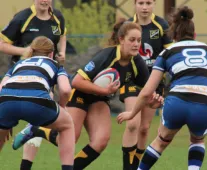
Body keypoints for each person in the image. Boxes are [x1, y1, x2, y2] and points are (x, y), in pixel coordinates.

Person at [13, 20, 161, 170]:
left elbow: (146, 91)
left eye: (139, 40)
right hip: (81, 94)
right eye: (132, 40)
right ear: (121, 39)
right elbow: (76, 81)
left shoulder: (137, 63)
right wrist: (104, 91)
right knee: (68, 137)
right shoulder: (107, 55)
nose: (136, 44)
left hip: (100, 99)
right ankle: (36, 129)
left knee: (100, 141)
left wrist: (152, 102)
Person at [117, 6, 207, 170]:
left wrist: (132, 113)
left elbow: (147, 91)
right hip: (205, 102)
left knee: (161, 141)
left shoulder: (167, 52)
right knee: (197, 139)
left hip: (177, 102)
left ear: (174, 35)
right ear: (195, 35)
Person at [0, 0, 67, 169]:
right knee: (5, 131)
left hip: (44, 76)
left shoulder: (57, 16)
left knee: (39, 118)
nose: (44, 1)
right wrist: (27, 52)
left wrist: (62, 53)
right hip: (20, 75)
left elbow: (63, 35)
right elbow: (2, 44)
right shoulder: (22, 18)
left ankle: (25, 165)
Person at [121, 0, 173, 169]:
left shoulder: (161, 25)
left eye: (148, 3)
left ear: (154, 4)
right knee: (132, 124)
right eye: (141, 2)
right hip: (132, 81)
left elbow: (170, 53)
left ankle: (138, 166)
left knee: (144, 128)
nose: (145, 7)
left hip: (154, 83)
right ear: (135, 4)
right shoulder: (128, 25)